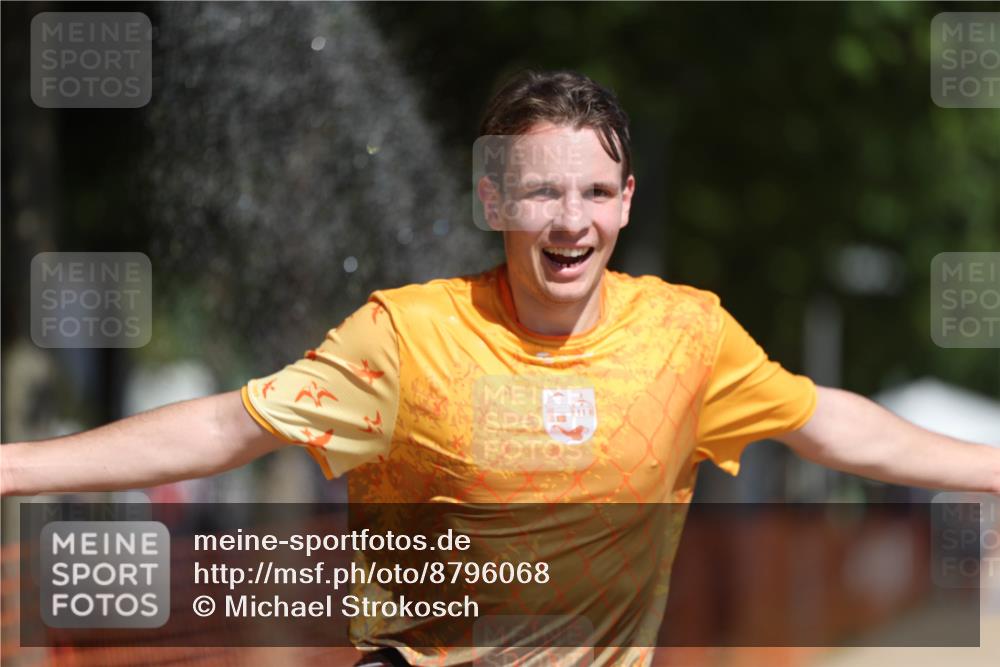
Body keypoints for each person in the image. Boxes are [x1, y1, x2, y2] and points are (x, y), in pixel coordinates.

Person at [3, 69, 998, 667]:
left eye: (594, 192)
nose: (570, 221)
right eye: (540, 193)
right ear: (492, 200)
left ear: (625, 201)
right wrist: (14, 465)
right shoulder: (405, 335)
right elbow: (228, 424)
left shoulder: (688, 335)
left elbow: (827, 421)